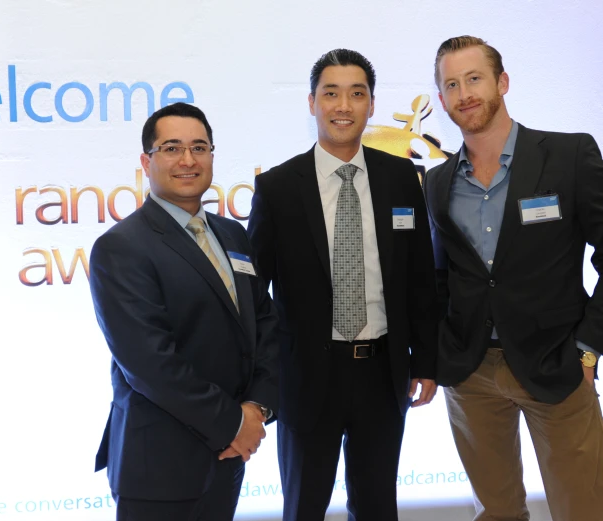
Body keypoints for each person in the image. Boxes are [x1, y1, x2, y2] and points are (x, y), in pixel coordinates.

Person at [247, 48, 438, 521]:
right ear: (312, 102)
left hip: (382, 372)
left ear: (371, 105)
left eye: (357, 94)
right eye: (331, 93)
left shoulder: (400, 178)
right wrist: (261, 380)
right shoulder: (278, 187)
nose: (343, 106)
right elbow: (255, 295)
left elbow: (418, 276)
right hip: (307, 376)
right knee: (304, 507)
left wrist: (426, 360)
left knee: (377, 507)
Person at [424, 35, 603, 521]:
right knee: (497, 512)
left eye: (475, 78)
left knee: (582, 509)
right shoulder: (437, 182)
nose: (465, 94)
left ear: (502, 82)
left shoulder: (569, 156)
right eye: (452, 84)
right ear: (441, 100)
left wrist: (587, 347)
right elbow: (442, 277)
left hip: (557, 366)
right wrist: (436, 353)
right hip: (471, 374)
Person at [89, 102, 279, 521]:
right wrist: (233, 423)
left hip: (229, 458)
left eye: (199, 147)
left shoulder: (232, 234)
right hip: (159, 465)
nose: (188, 160)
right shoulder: (121, 247)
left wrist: (258, 410)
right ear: (147, 161)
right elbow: (150, 363)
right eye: (172, 148)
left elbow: (265, 327)